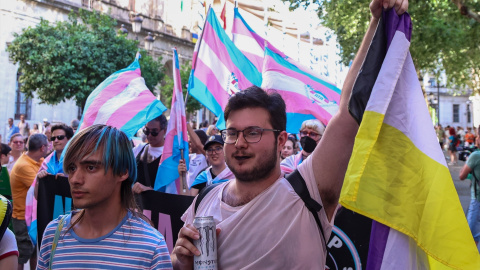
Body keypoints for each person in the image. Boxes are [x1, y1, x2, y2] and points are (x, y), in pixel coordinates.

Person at [171, 1, 408, 268]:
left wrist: (378, 21)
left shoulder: (307, 192)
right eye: (232, 133)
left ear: (281, 140)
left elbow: (350, 112)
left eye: (253, 133)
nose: (239, 143)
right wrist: (181, 260)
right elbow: (179, 263)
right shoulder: (204, 200)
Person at [37, 124, 172, 269]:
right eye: (72, 168)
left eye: (91, 167)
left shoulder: (151, 247)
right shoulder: (54, 234)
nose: (75, 179)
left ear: (122, 172)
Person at [10, 133, 48, 270]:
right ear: (43, 147)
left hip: (31, 217)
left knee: (33, 252)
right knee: (22, 254)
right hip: (22, 218)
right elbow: (43, 186)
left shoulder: (37, 160)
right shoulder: (23, 165)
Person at [132, 115, 168, 194]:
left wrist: (150, 191)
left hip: (156, 204)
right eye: (146, 131)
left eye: (154, 132)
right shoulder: (139, 149)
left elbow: (172, 191)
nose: (149, 135)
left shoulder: (170, 155)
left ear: (165, 130)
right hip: (135, 203)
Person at [459, 135, 480, 246]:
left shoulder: (475, 156)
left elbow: (462, 176)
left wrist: (467, 163)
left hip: (477, 200)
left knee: (471, 235)